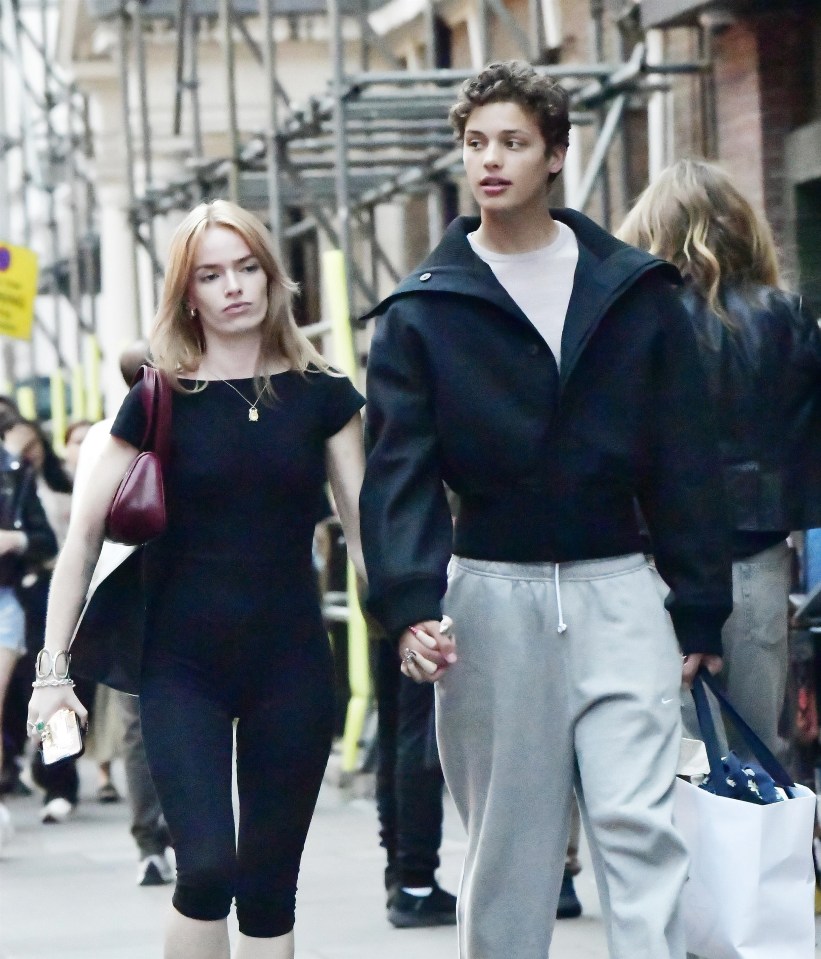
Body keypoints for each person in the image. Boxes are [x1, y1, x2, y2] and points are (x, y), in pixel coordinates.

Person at [359, 60, 732, 959]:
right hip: (489, 598)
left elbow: (684, 456)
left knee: (641, 827)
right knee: (508, 854)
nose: (490, 160)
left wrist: (698, 603)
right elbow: (397, 470)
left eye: (513, 143)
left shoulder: (634, 291)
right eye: (475, 143)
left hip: (619, 588)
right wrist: (410, 606)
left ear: (555, 155)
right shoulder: (423, 311)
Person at [28, 199, 366, 959]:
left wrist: (415, 620)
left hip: (293, 662)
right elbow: (81, 541)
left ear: (272, 277)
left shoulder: (323, 395)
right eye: (211, 275)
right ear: (189, 292)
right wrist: (53, 673)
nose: (234, 287)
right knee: (207, 868)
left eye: (247, 268)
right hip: (182, 666)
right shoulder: (156, 398)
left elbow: (365, 528)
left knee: (271, 885)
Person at [618, 157, 821, 757]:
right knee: (759, 748)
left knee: (674, 755)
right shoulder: (785, 319)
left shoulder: (633, 323)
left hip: (656, 562)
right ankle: (757, 853)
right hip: (755, 554)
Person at [70, 340, 174, 884]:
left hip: (113, 588)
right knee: (165, 716)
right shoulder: (151, 427)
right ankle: (171, 834)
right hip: (151, 585)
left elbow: (82, 535)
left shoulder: (99, 436)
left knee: (137, 721)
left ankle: (150, 842)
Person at [1, 417, 85, 824]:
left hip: (70, 591)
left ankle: (59, 778)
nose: (25, 452)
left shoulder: (60, 480)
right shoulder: (14, 480)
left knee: (64, 682)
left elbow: (51, 540)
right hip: (31, 591)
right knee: (32, 690)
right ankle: (41, 771)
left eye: (32, 444)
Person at [0, 416, 58, 849]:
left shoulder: (14, 476)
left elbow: (46, 541)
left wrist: (15, 541)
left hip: (9, 599)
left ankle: (54, 780)